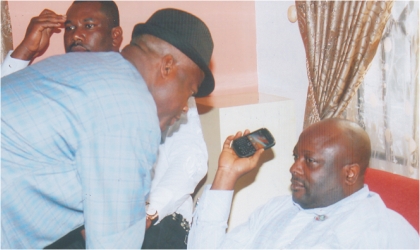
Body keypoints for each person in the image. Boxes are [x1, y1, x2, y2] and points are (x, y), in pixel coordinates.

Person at [1, 7, 214, 249]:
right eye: (190, 91)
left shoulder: (79, 69)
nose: (185, 108)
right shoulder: (130, 109)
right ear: (167, 67)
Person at [187, 118, 419, 249]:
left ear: (350, 174)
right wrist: (226, 175)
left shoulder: (379, 232)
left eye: (310, 161)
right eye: (296, 157)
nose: (294, 168)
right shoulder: (278, 209)